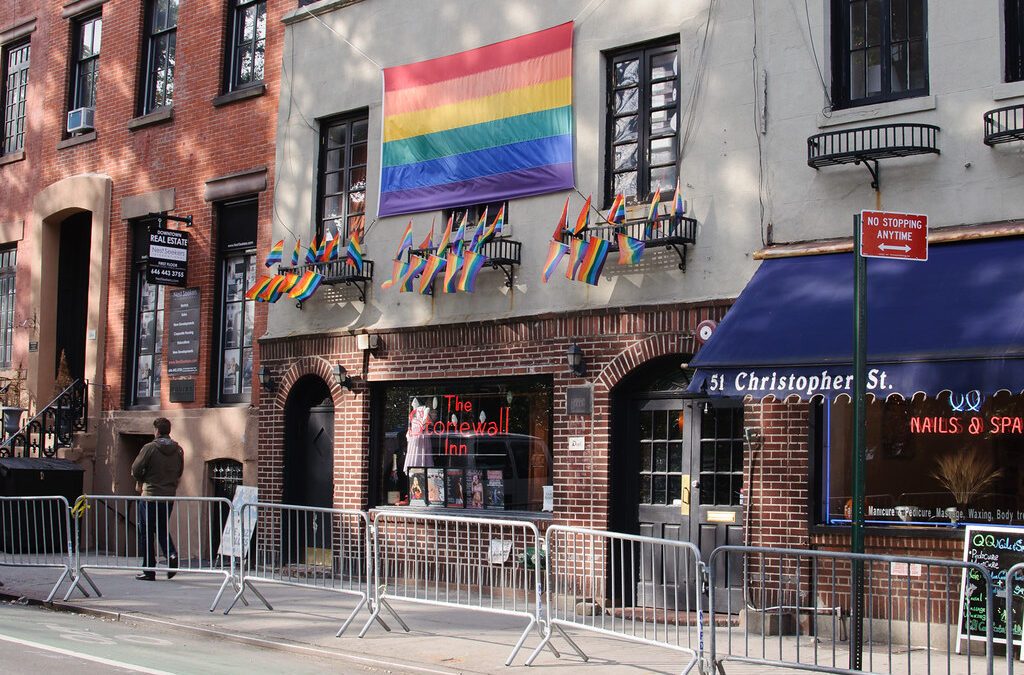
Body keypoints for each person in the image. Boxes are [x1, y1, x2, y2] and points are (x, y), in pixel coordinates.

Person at [131, 417, 184, 581]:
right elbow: (179, 471)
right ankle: (171, 554)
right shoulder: (178, 450)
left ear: (156, 431)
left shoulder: (150, 448)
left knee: (146, 532)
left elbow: (136, 469)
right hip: (168, 496)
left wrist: (143, 478)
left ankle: (149, 570)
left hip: (150, 495)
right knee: (161, 528)